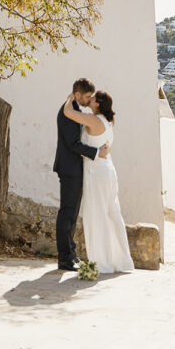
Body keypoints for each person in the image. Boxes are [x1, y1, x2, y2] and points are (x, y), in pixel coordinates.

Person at [61, 89, 134, 274]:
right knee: (113, 215)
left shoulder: (94, 120)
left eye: (92, 99)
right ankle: (123, 261)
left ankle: (102, 264)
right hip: (108, 171)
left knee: (97, 217)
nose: (89, 100)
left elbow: (68, 113)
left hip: (97, 175)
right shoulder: (108, 122)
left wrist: (71, 97)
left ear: (98, 104)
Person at [53, 78, 109, 271]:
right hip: (69, 169)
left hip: (75, 169)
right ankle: (65, 258)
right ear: (77, 95)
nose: (89, 100)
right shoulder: (68, 112)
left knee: (73, 214)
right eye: (87, 96)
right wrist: (97, 153)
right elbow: (73, 145)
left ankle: (72, 255)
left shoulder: (74, 109)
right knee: (67, 213)